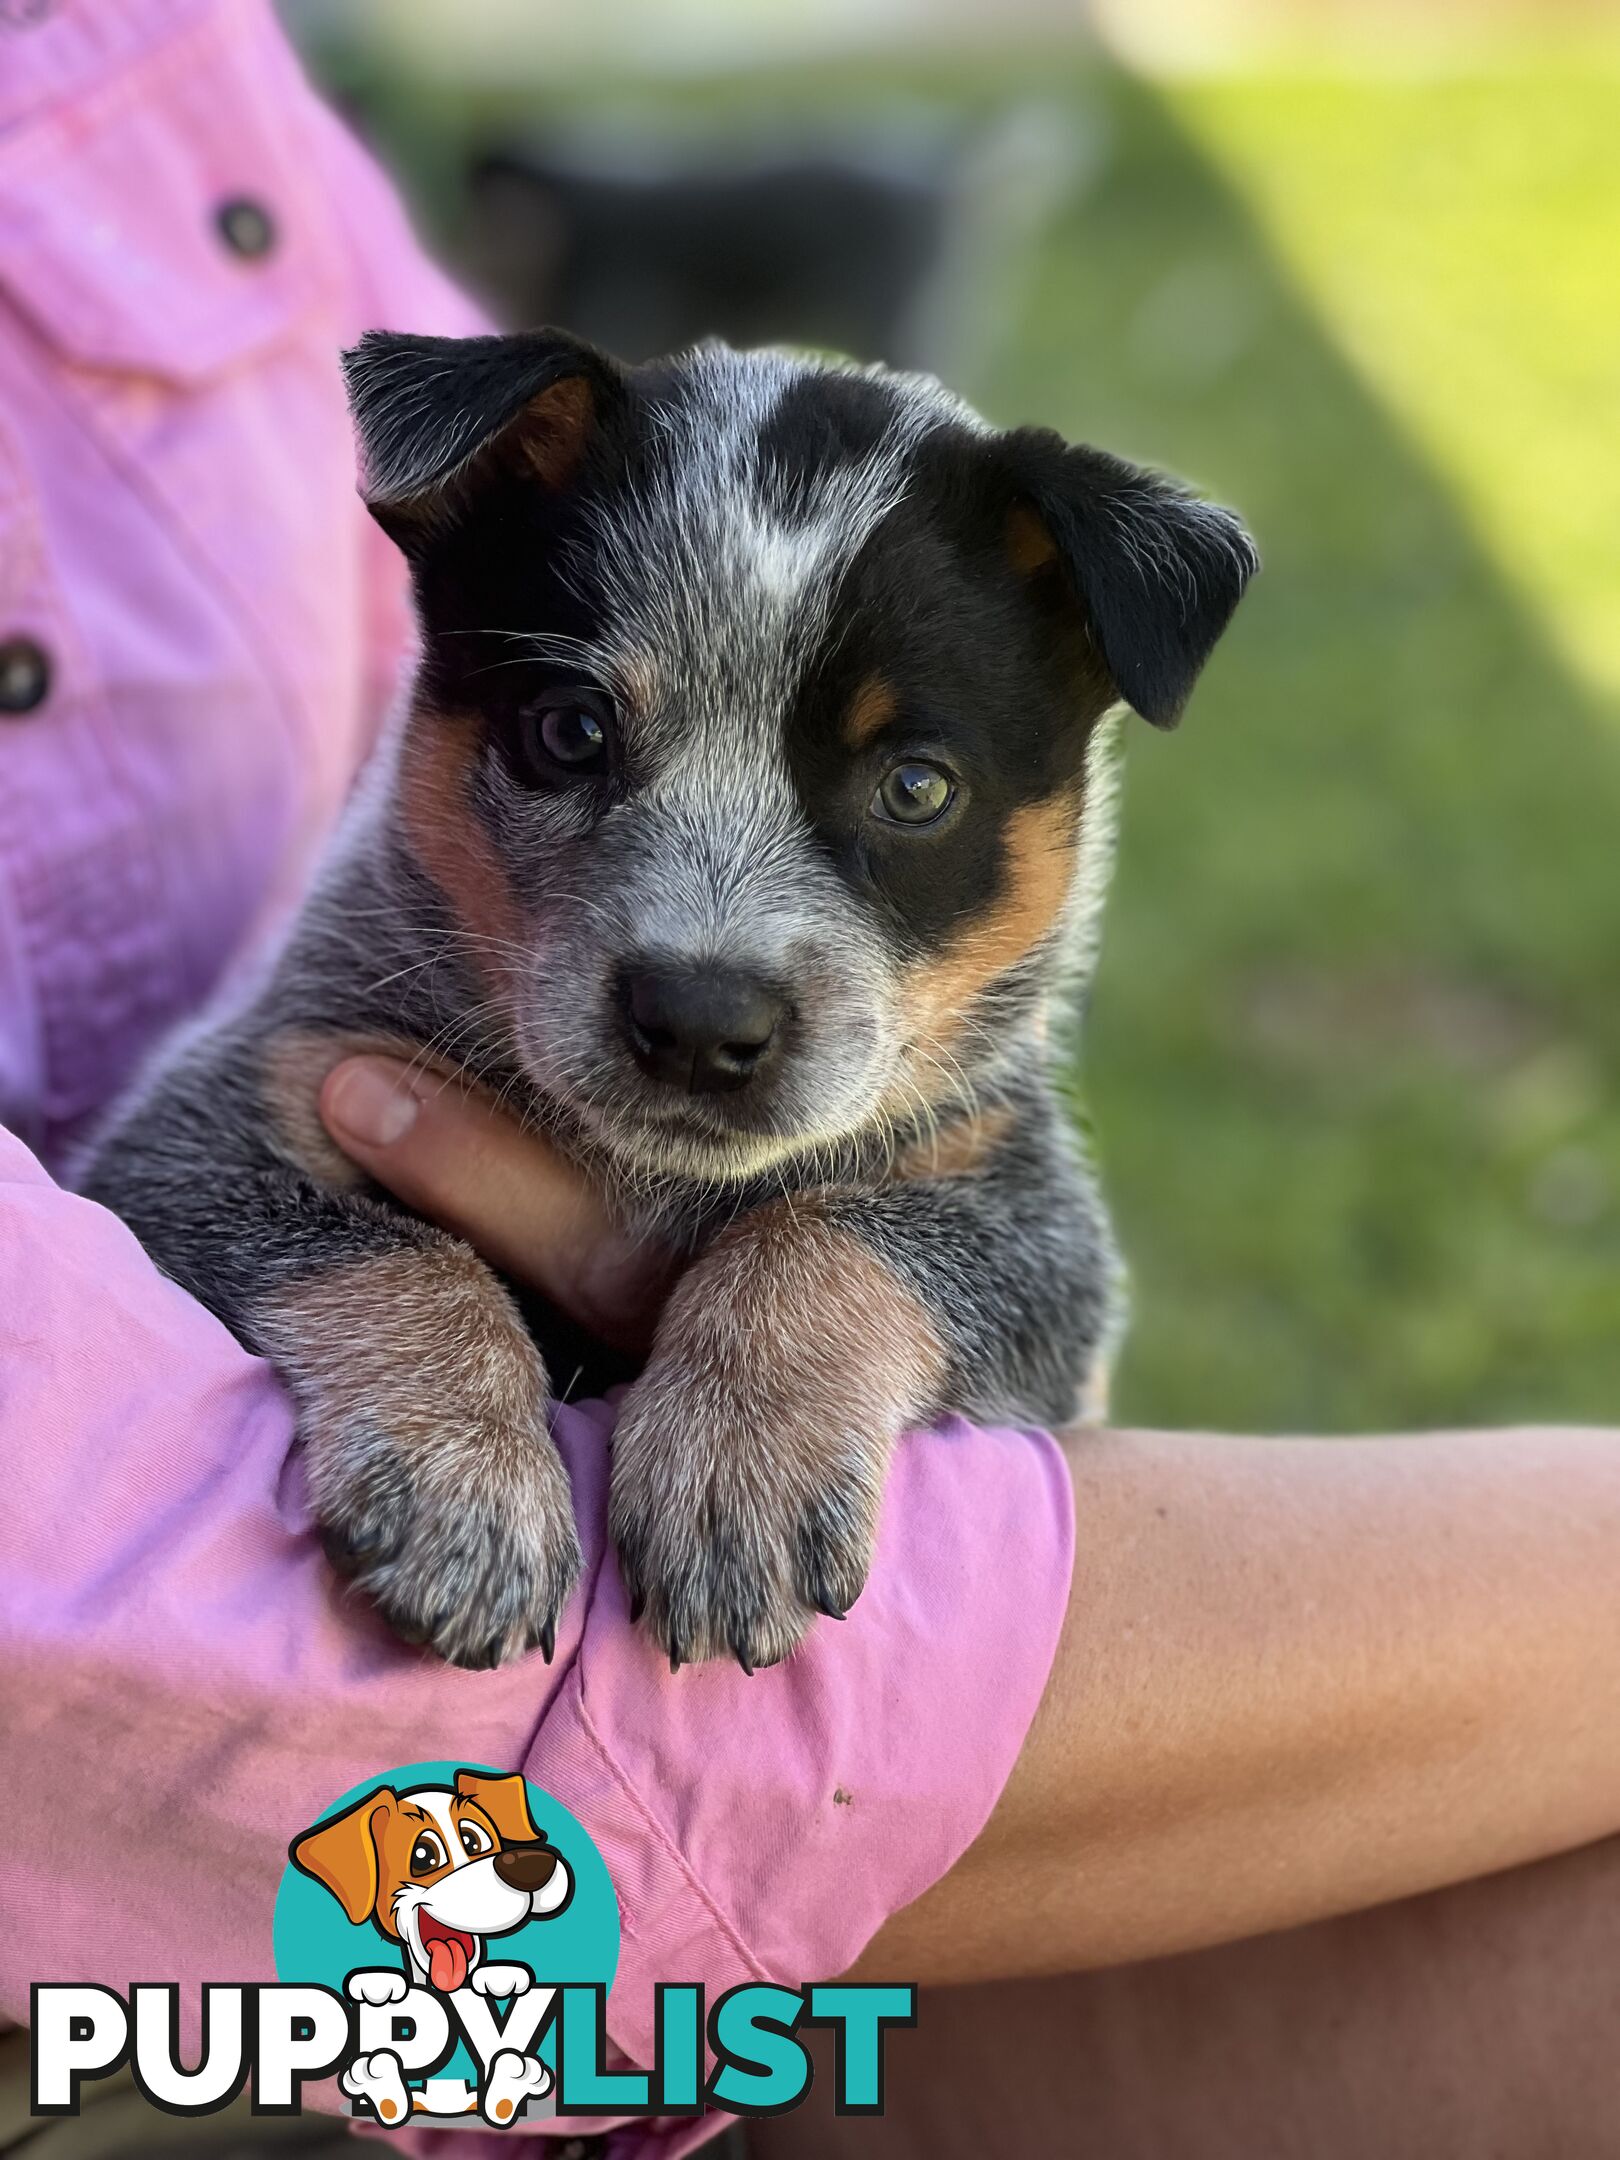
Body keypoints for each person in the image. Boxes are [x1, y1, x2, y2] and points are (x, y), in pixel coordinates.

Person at [4, 6, 1620, 2159]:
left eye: (909, 782)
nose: (710, 959)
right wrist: (405, 1320)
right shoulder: (384, 990)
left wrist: (813, 1309)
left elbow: (1029, 1289)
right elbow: (179, 1196)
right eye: (575, 741)